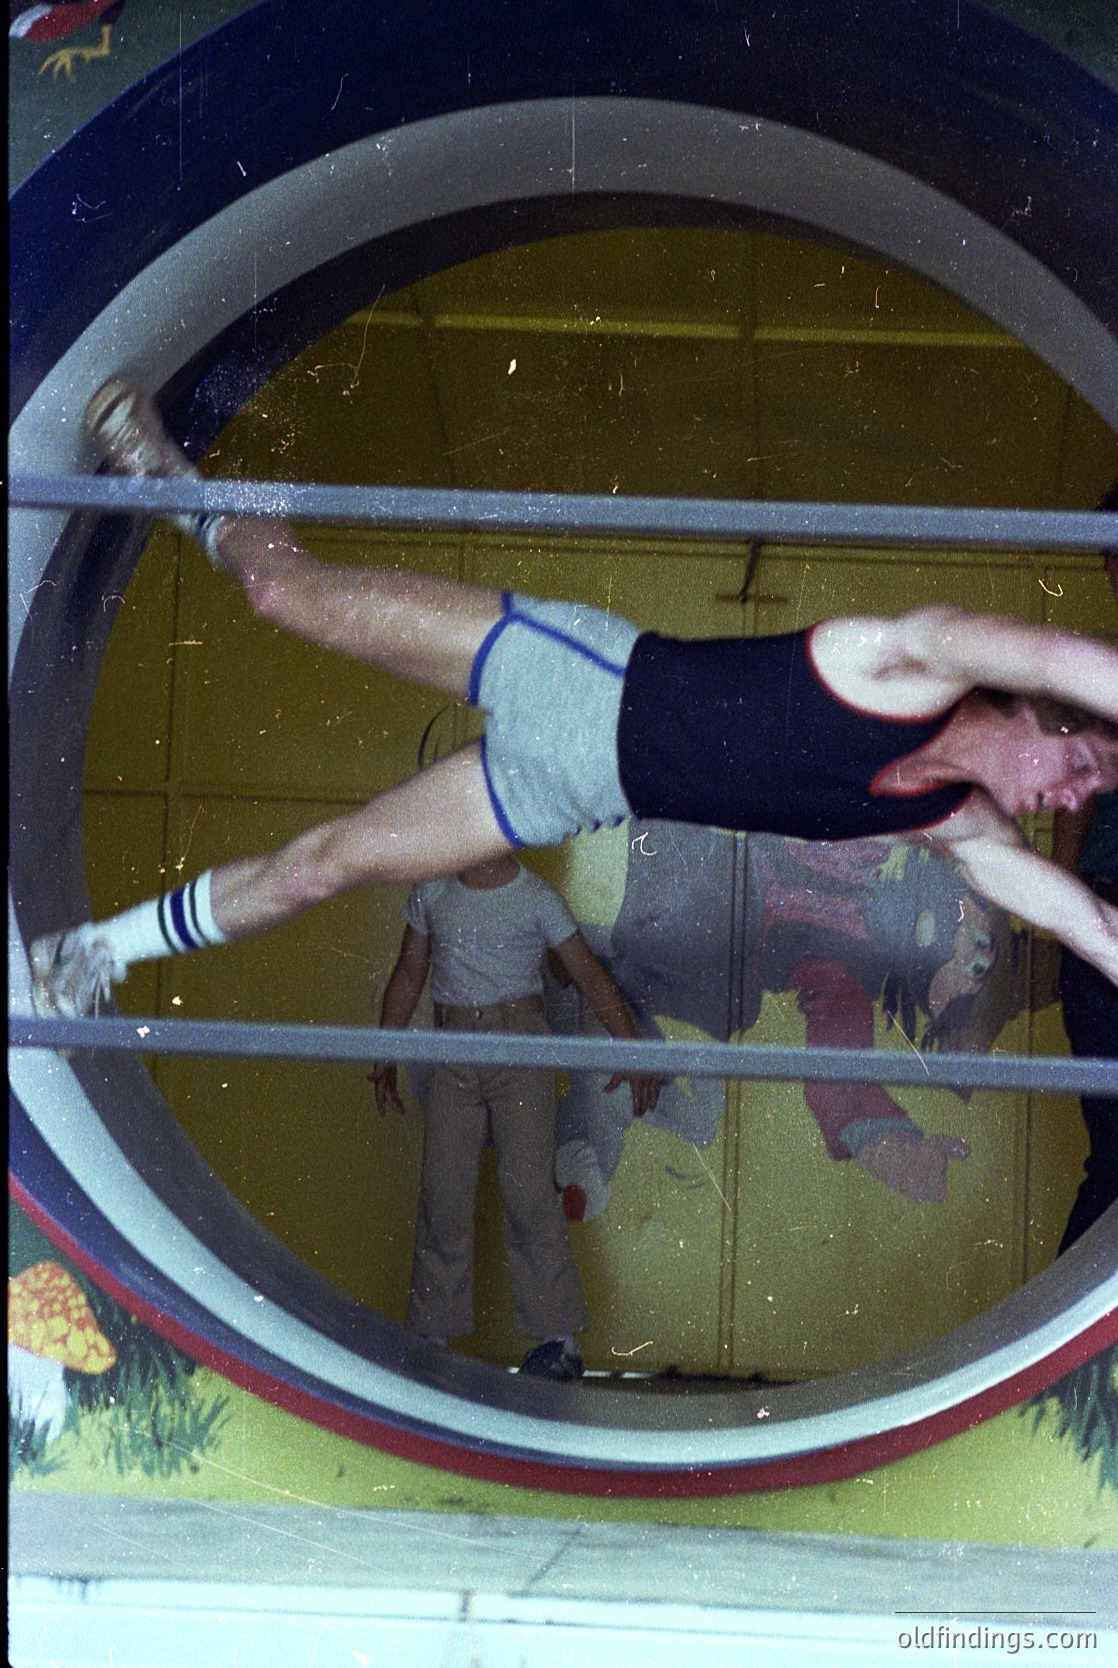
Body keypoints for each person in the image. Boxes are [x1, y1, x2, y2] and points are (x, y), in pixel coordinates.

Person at [29, 378, 1118, 1020]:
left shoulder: (958, 827)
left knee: (331, 863)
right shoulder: (916, 659)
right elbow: (1072, 657)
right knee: (281, 591)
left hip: (567, 787)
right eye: (1081, 767)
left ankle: (96, 954)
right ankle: (171, 482)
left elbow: (1094, 927)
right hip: (575, 673)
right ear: (1038, 708)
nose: (1068, 802)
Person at [371, 854, 658, 1379]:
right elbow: (409, 972)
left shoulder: (537, 898)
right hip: (454, 1049)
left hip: (523, 1051)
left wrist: (635, 1051)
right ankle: (434, 1335)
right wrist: (383, 1055)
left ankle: (558, 1341)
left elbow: (590, 977)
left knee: (528, 1193)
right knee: (444, 1190)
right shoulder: (433, 891)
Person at [1052, 484, 1118, 1251]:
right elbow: (1073, 805)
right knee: (1114, 1159)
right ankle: (1064, 1364)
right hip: (1101, 916)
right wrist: (1068, 925)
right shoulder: (1098, 669)